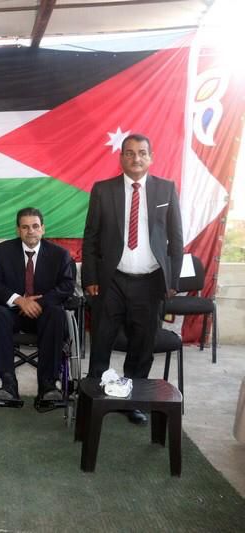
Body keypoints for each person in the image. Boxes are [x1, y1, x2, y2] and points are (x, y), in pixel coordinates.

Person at [82, 133, 183, 425]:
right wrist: (90, 277)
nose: (136, 158)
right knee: (101, 341)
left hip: (150, 282)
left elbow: (176, 239)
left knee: (142, 346)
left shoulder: (166, 189)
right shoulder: (103, 190)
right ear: (121, 157)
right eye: (129, 153)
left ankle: (133, 402)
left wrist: (172, 280)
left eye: (141, 153)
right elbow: (91, 237)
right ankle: (93, 400)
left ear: (150, 157)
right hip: (110, 281)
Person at [0, 207, 75, 403]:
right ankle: (8, 384)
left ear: (43, 228)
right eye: (25, 227)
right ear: (18, 230)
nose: (30, 231)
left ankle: (48, 385)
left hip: (45, 313)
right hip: (12, 313)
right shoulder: (3, 251)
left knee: (57, 314)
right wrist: (20, 300)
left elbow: (67, 286)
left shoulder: (60, 254)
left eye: (35, 226)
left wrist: (39, 303)